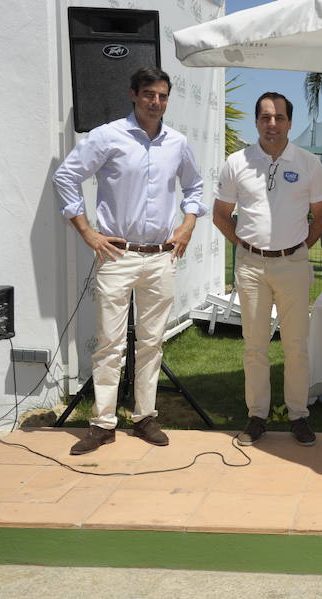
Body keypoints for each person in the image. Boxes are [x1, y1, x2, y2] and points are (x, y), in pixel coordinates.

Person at [54, 66, 206, 455]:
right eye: (149, 95)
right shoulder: (107, 136)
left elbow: (195, 186)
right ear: (133, 94)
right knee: (109, 344)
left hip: (160, 257)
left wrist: (187, 226)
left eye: (162, 96)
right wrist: (87, 231)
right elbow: (66, 176)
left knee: (153, 342)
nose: (156, 102)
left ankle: (144, 417)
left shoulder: (178, 142)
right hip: (117, 254)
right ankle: (103, 423)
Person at [213, 92, 322, 447]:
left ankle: (298, 415)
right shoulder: (237, 162)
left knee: (296, 345)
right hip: (250, 267)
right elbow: (221, 214)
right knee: (255, 346)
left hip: (293, 264)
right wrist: (245, 247)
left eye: (279, 117)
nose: (272, 124)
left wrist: (296, 250)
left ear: (290, 122)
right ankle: (257, 416)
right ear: (257, 122)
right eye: (265, 117)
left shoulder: (308, 163)